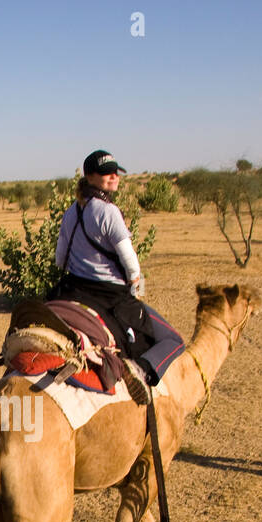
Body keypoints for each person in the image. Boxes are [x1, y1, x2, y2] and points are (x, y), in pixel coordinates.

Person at [52, 150, 183, 404]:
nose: (113, 177)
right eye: (105, 173)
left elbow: (59, 260)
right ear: (90, 176)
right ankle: (142, 371)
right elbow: (131, 265)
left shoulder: (71, 212)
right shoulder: (109, 211)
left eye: (115, 171)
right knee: (173, 339)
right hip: (111, 296)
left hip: (72, 289)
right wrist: (137, 290)